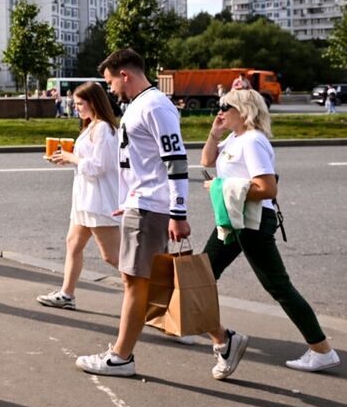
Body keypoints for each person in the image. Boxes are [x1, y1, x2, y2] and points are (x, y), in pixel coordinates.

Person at [200, 89, 340, 377]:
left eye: (226, 106)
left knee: (278, 286)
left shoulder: (253, 141)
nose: (220, 110)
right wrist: (214, 135)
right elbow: (206, 162)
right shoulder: (235, 137)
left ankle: (322, 350)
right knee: (201, 277)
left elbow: (268, 188)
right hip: (232, 219)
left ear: (244, 109)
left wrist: (219, 187)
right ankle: (219, 337)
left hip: (251, 222)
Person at [75, 48, 190, 377]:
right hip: (142, 204)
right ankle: (222, 337)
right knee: (140, 281)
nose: (109, 88)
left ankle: (121, 357)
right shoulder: (142, 105)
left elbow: (175, 160)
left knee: (135, 283)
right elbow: (143, 162)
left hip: (151, 206)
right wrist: (127, 199)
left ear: (125, 74)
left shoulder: (154, 105)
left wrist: (178, 213)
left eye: (110, 81)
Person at [37, 82, 121, 310]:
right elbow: (89, 163)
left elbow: (99, 166)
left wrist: (71, 158)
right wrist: (68, 158)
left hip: (99, 202)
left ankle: (151, 294)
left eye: (80, 104)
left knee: (112, 256)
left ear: (94, 103)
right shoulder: (92, 126)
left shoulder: (103, 128)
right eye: (75, 104)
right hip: (86, 200)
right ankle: (67, 294)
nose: (76, 108)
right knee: (73, 243)